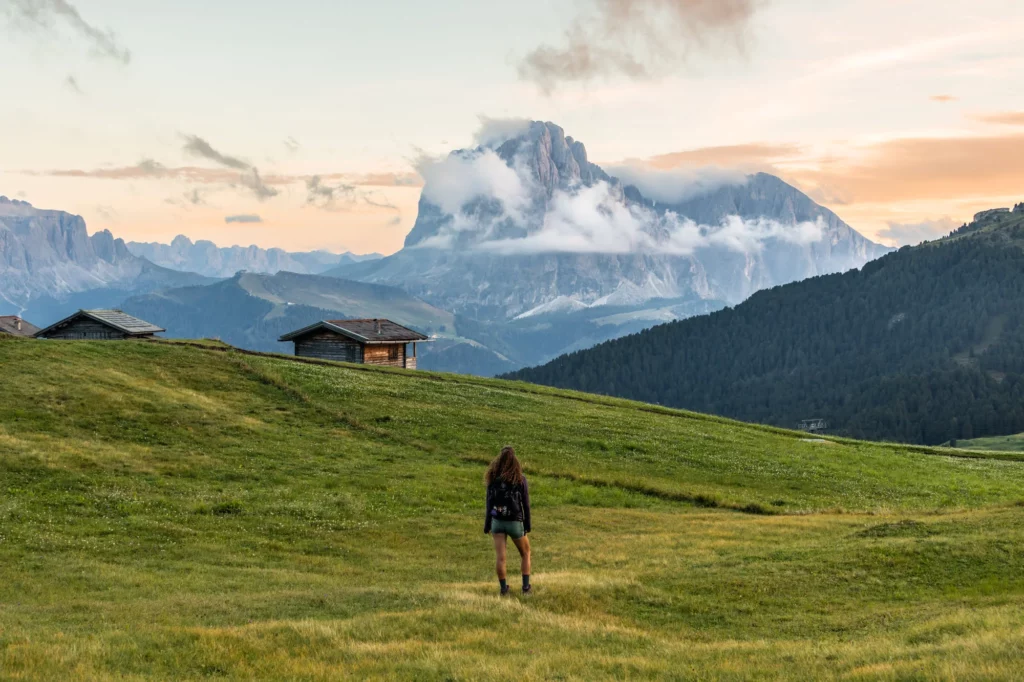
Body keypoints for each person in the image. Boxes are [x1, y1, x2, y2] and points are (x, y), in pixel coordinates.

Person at [484, 446, 532, 595]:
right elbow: (525, 504)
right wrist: (527, 524)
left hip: (497, 521)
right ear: (514, 461)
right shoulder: (520, 479)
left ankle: (504, 589)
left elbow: (489, 504)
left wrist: (487, 524)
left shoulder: (492, 479)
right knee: (525, 553)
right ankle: (525, 588)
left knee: (501, 558)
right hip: (514, 521)